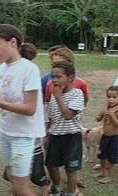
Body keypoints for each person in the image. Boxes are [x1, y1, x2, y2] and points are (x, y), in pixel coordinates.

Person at [0, 23, 45, 196]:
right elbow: (3, 99)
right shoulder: (4, 67)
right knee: (11, 177)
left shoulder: (29, 69)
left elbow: (30, 108)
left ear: (13, 42)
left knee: (20, 188)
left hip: (22, 135)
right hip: (4, 131)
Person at [45, 63, 84, 195]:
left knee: (71, 169)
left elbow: (67, 115)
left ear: (70, 78)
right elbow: (50, 117)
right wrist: (47, 135)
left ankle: (71, 193)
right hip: (55, 136)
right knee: (51, 164)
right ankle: (57, 189)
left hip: (72, 137)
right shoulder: (54, 94)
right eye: (52, 77)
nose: (54, 80)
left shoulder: (77, 94)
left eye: (58, 77)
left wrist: (58, 97)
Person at [94, 86, 118, 184]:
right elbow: (97, 119)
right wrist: (100, 115)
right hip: (105, 135)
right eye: (109, 97)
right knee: (102, 155)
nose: (111, 99)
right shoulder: (107, 107)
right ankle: (103, 172)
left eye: (114, 97)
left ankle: (109, 176)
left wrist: (112, 115)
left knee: (112, 158)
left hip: (115, 137)